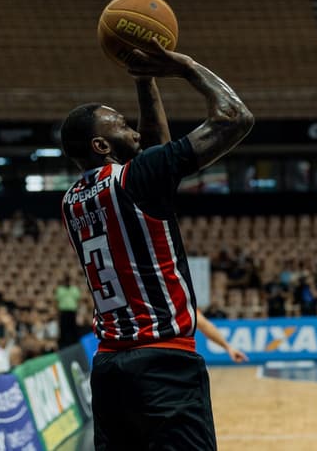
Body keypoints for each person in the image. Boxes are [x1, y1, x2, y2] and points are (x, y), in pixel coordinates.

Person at [59, 37, 253, 450]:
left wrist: (144, 80)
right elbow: (236, 117)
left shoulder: (71, 201)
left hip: (109, 369)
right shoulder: (136, 179)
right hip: (164, 365)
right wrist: (183, 66)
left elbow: (153, 152)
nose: (132, 130)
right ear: (101, 146)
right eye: (122, 126)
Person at [54, 274, 81, 348]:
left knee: (73, 328)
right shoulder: (60, 290)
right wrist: (57, 313)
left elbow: (78, 301)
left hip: (72, 312)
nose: (67, 282)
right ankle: (64, 345)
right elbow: (56, 302)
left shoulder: (75, 289)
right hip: (63, 312)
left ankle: (75, 344)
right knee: (64, 329)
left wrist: (78, 313)